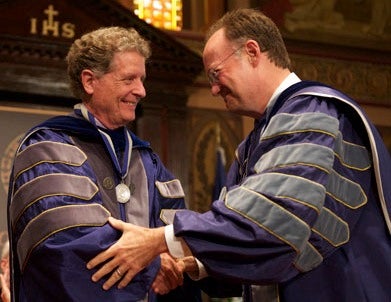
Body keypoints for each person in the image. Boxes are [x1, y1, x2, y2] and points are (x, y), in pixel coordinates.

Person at [86, 8, 391, 302]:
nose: (214, 89)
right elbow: (263, 251)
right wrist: (194, 266)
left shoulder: (311, 115)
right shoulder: (254, 144)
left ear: (252, 51)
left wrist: (157, 240)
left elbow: (269, 225)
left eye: (216, 73)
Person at [7, 26, 202, 302]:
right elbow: (63, 247)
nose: (141, 91)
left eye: (142, 79)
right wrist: (152, 267)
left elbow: (177, 239)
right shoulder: (47, 150)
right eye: (129, 79)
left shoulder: (148, 161)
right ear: (89, 81)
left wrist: (176, 264)